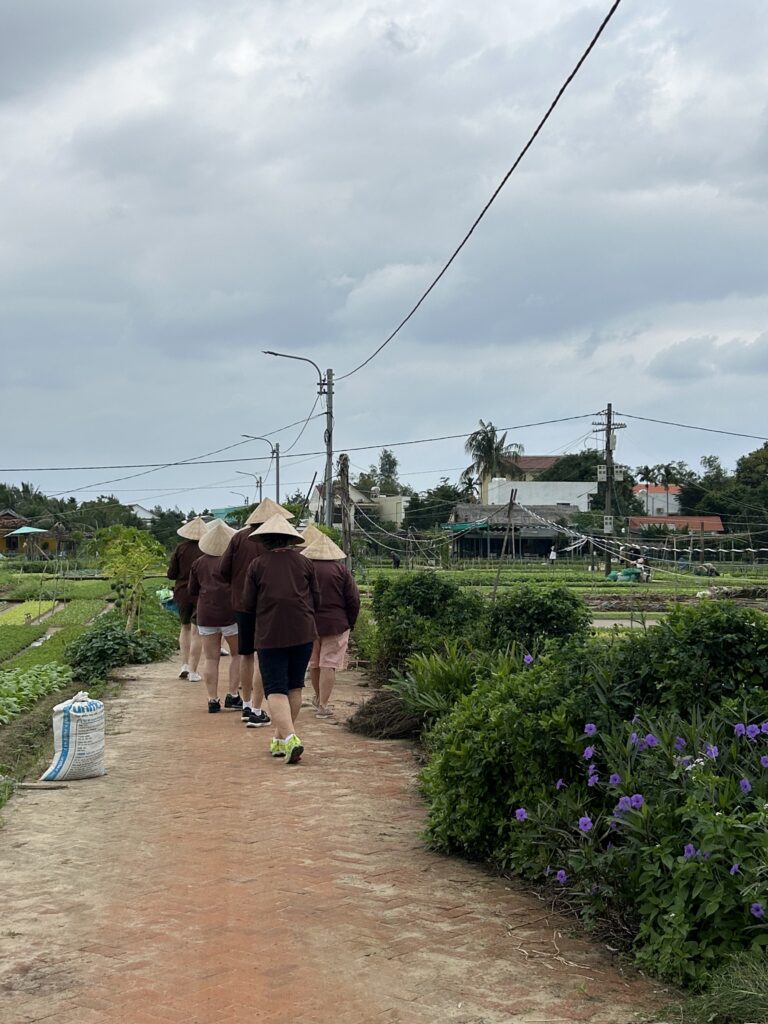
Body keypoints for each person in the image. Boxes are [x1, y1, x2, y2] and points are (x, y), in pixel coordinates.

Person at [242, 513, 319, 764]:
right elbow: (316, 599)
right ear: (290, 539)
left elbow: (248, 604)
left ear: (264, 540)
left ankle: (291, 738)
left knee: (275, 689)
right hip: (303, 632)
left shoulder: (257, 565)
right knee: (294, 686)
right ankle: (279, 739)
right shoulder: (305, 563)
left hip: (270, 633)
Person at [220, 497, 294, 729]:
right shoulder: (280, 543)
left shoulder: (238, 537)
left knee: (246, 654)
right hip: (269, 608)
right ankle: (256, 709)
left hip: (243, 605)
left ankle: (246, 703)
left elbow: (223, 571)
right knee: (265, 654)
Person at [302, 534, 360, 718]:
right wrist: (350, 622)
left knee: (314, 662)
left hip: (309, 623)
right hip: (336, 623)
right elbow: (353, 599)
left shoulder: (305, 569)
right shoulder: (341, 571)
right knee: (329, 664)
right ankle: (323, 706)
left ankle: (318, 698)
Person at [188, 520, 241, 714]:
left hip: (206, 614)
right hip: (231, 614)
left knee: (210, 658)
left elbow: (192, 590)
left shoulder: (198, 563)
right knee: (237, 655)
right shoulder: (235, 561)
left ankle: (212, 699)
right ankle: (233, 695)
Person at [167, 517, 206, 682]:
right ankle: (193, 671)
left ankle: (183, 664)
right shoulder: (207, 549)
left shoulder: (180, 548)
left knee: (185, 627)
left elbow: (172, 574)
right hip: (202, 594)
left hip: (183, 592)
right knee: (198, 631)